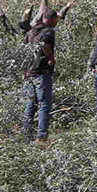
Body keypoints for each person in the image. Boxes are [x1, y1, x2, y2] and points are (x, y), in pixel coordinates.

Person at [19, 8, 59, 143]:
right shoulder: (48, 31)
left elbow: (23, 47)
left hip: (28, 72)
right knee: (44, 104)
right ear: (51, 20)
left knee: (30, 103)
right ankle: (41, 136)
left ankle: (26, 133)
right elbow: (46, 45)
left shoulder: (32, 30)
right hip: (41, 72)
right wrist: (51, 59)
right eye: (56, 20)